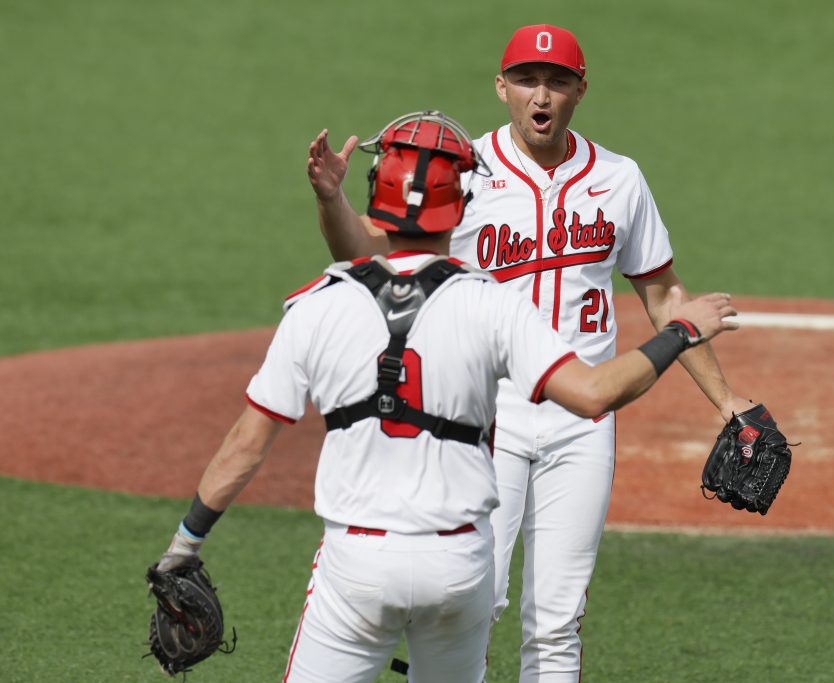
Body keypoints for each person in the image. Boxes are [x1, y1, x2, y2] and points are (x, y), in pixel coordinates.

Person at [154, 110, 738, 683]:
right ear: (460, 208)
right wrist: (680, 333)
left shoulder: (318, 305)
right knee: (548, 627)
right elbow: (591, 395)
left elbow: (245, 445)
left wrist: (184, 546)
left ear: (377, 206)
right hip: (457, 565)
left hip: (356, 564)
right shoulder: (494, 305)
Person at [307, 26, 754, 682]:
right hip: (488, 418)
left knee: (557, 618)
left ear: (580, 90)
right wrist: (330, 200)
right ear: (501, 87)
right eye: (525, 79)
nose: (540, 95)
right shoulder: (463, 172)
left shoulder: (619, 179)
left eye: (557, 81)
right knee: (471, 603)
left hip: (584, 420)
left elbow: (664, 295)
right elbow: (369, 258)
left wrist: (725, 398)